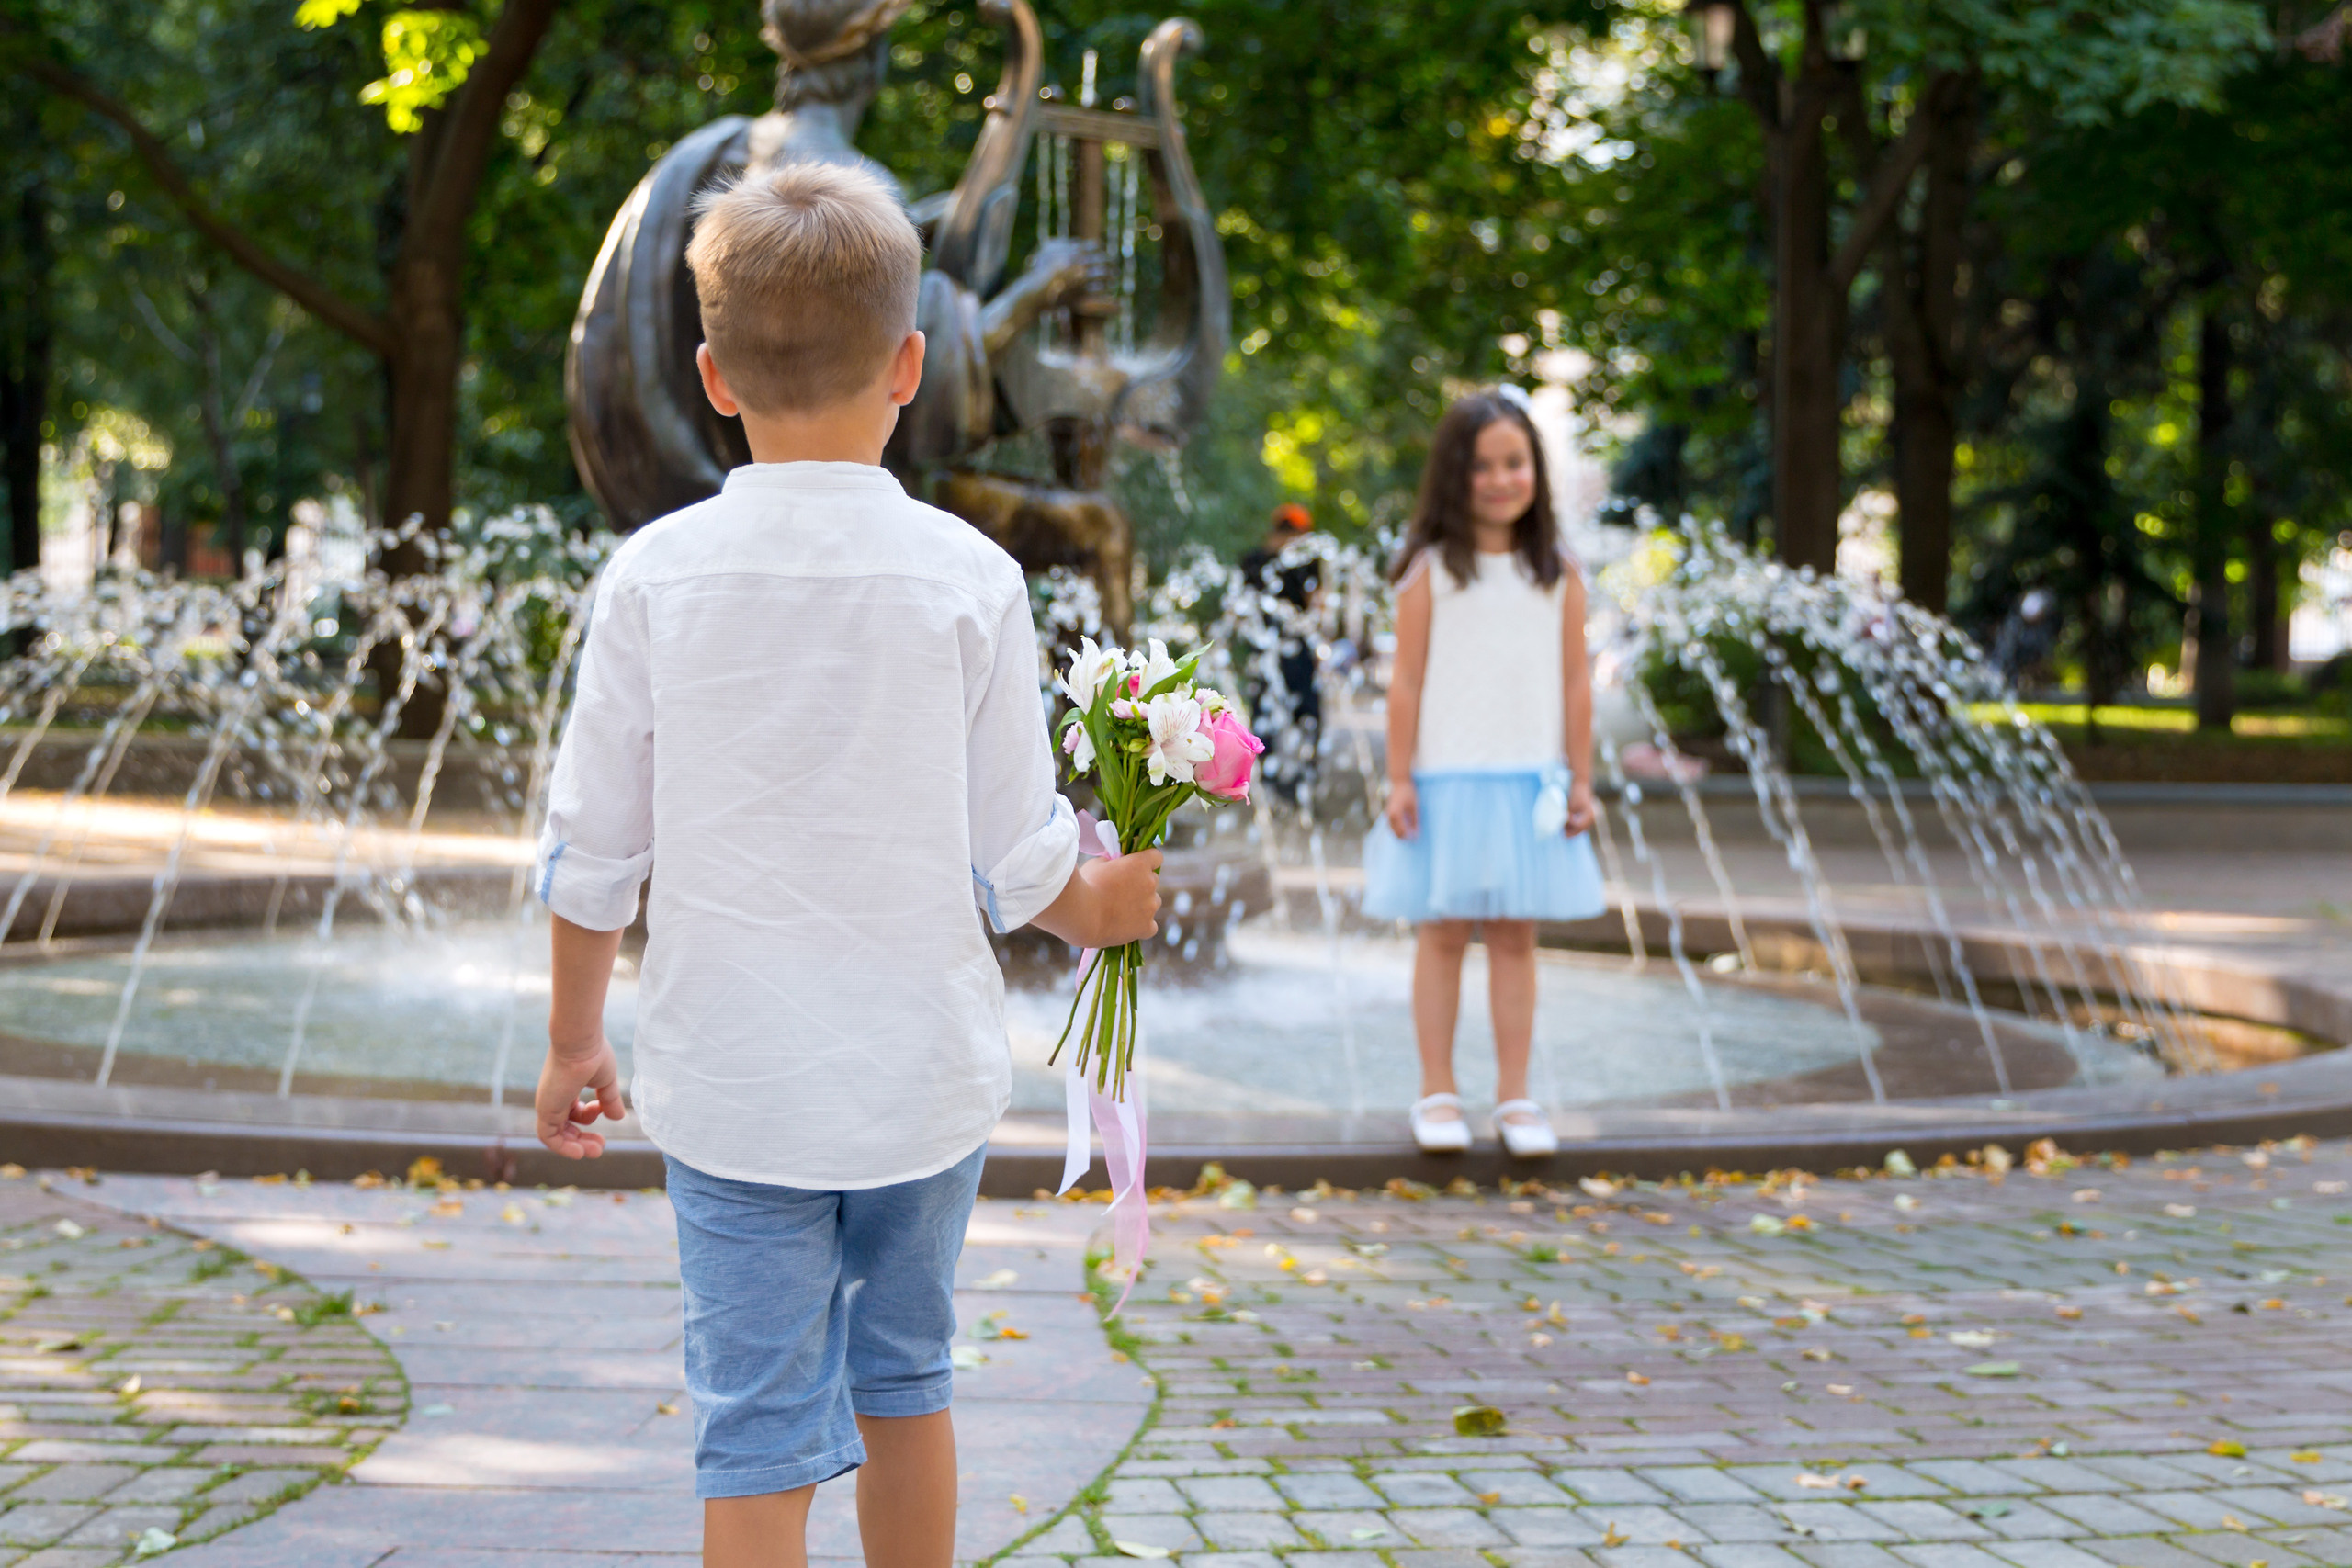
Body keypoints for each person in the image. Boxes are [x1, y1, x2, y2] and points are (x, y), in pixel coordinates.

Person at [528, 162, 1162, 1568]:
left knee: (755, 1430)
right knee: (907, 1382)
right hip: (919, 1083)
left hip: (733, 1083)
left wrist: (577, 1035)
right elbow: (1021, 856)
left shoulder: (650, 577)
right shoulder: (968, 576)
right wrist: (1107, 904)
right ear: (912, 366)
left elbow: (594, 854)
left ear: (711, 375)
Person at [1363, 389, 1605, 1158]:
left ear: (1535, 468)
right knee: (1440, 937)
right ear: (1453, 475)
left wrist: (1582, 778)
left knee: (1513, 937)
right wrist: (1399, 778)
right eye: (1483, 466)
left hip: (1527, 784)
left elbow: (1575, 683)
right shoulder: (1429, 572)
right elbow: (1406, 681)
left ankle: (1515, 1096)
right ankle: (1437, 1090)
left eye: (1515, 462)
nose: (1501, 479)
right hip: (1445, 784)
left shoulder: (1559, 574)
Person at [1236, 502, 1323, 801]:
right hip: (1296, 652)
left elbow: (1239, 608)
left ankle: (1268, 785)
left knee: (1263, 715)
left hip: (1263, 653)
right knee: (1307, 714)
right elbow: (1316, 605)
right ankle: (1301, 782)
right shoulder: (1305, 560)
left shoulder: (1253, 560)